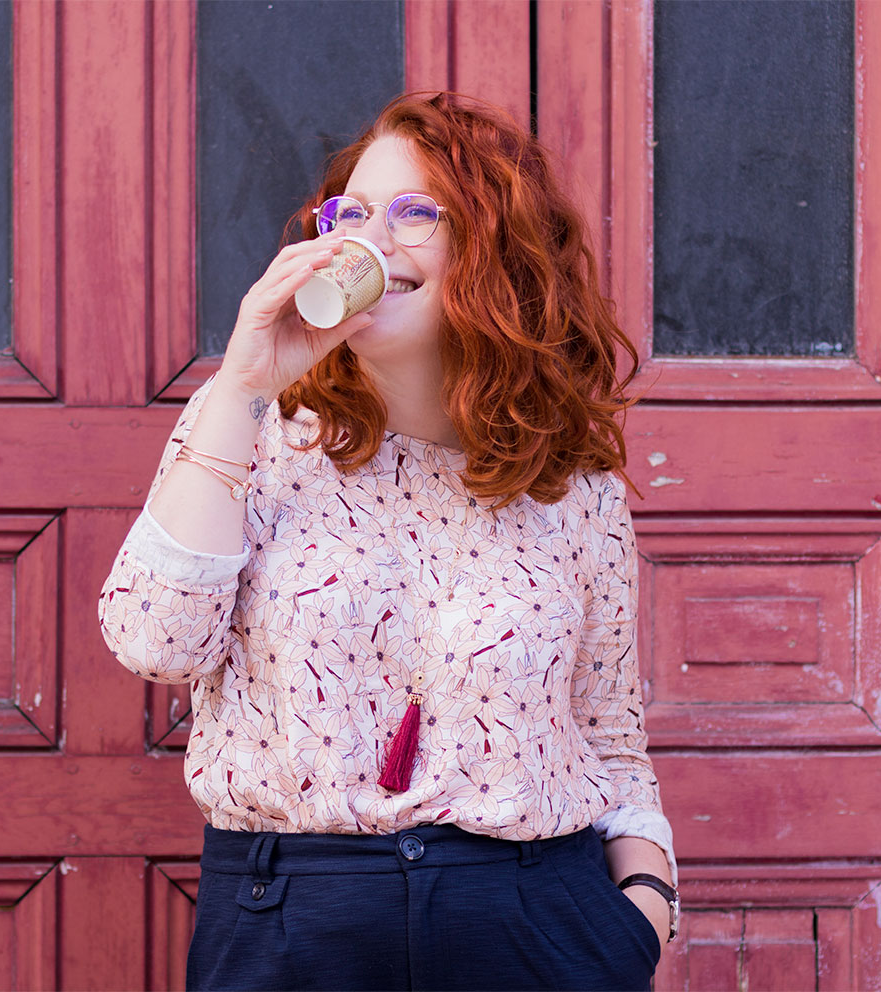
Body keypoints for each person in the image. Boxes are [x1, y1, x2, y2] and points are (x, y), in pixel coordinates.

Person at [99, 92, 677, 991]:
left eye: (415, 213)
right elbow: (155, 642)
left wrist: (643, 904)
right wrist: (245, 381)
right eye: (353, 214)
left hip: (540, 924)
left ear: (496, 250)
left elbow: (607, 732)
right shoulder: (249, 428)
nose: (371, 239)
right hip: (293, 924)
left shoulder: (572, 484)